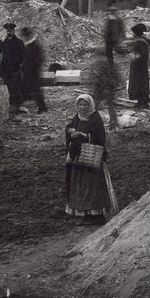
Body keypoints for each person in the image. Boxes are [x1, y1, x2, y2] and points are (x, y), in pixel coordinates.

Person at [63, 94, 117, 223]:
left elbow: (100, 138)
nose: (82, 108)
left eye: (85, 105)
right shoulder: (77, 117)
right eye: (80, 105)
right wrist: (70, 130)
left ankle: (96, 215)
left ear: (90, 105)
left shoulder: (95, 119)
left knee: (93, 187)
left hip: (92, 159)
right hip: (79, 159)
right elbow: (71, 126)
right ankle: (84, 213)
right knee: (81, 186)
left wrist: (84, 135)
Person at [0, 22, 25, 111]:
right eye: (7, 30)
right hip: (4, 69)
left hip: (14, 69)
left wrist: (16, 64)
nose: (9, 32)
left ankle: (17, 105)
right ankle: (7, 104)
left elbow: (23, 55)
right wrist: (1, 41)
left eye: (10, 30)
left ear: (13, 31)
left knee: (15, 86)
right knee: (5, 86)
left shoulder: (19, 42)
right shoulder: (4, 41)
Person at [18, 26, 47, 114]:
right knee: (24, 89)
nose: (23, 37)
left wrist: (27, 67)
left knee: (35, 90)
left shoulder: (34, 46)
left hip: (33, 72)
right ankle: (18, 106)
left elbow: (38, 60)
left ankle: (43, 108)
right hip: (28, 72)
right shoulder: (28, 45)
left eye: (24, 35)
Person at [127, 24, 150, 108]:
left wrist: (135, 58)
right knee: (139, 83)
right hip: (139, 66)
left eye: (134, 33)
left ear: (136, 33)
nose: (133, 35)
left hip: (139, 67)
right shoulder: (141, 41)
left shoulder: (140, 42)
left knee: (139, 83)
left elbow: (143, 55)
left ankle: (143, 102)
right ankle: (140, 101)